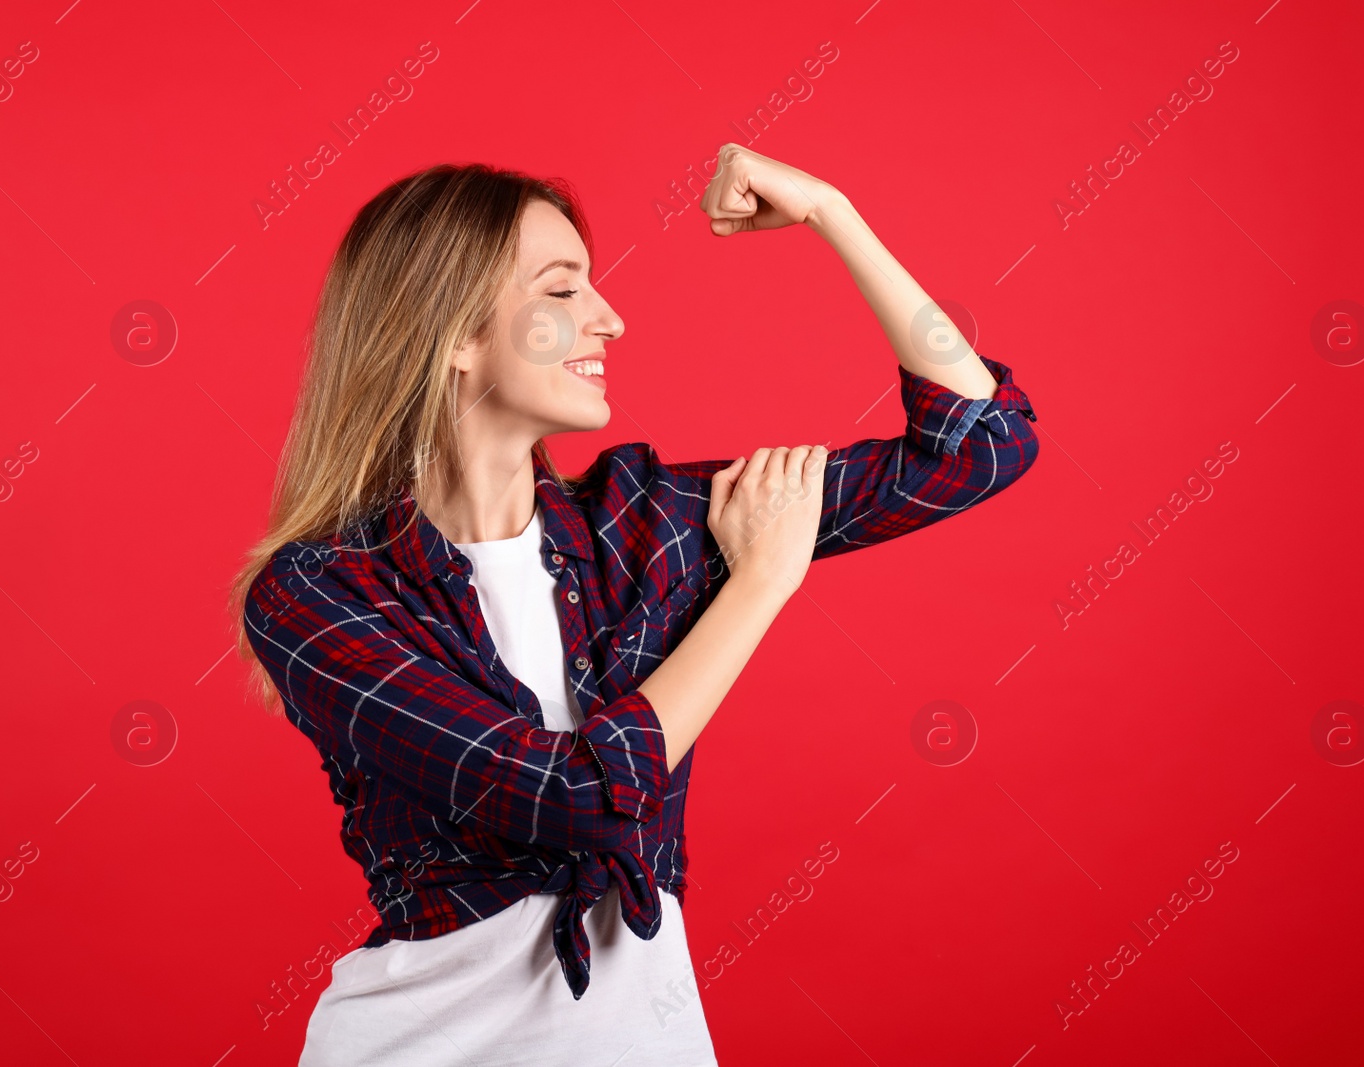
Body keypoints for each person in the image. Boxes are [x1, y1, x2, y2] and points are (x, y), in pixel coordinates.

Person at [230, 143, 1040, 1066]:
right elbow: (569, 796)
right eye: (564, 290)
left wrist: (831, 212)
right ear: (453, 334)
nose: (609, 318)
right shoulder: (317, 591)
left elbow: (982, 444)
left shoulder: (646, 524)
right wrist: (759, 585)